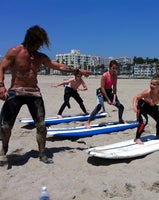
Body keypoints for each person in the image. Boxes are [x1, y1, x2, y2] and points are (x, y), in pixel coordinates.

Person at [0, 25, 92, 164]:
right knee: (6, 127)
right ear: (32, 40)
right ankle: (4, 150)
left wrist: (77, 70)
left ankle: (42, 154)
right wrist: (1, 86)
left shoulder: (39, 57)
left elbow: (59, 66)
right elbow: (1, 67)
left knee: (41, 126)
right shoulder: (15, 51)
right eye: (39, 43)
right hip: (16, 91)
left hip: (34, 93)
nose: (40, 46)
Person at [133, 71, 159, 144]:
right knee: (144, 121)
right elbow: (136, 97)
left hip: (151, 106)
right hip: (143, 106)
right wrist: (134, 107)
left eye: (154, 85)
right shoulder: (147, 92)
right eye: (151, 84)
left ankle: (158, 133)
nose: (151, 85)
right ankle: (137, 138)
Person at [86, 60, 125, 129]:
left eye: (116, 68)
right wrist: (107, 100)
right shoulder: (105, 75)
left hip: (109, 91)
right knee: (99, 107)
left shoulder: (115, 76)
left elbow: (115, 88)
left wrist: (114, 99)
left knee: (121, 106)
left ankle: (120, 119)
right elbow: (102, 88)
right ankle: (88, 122)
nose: (115, 70)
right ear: (109, 67)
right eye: (113, 68)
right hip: (101, 92)